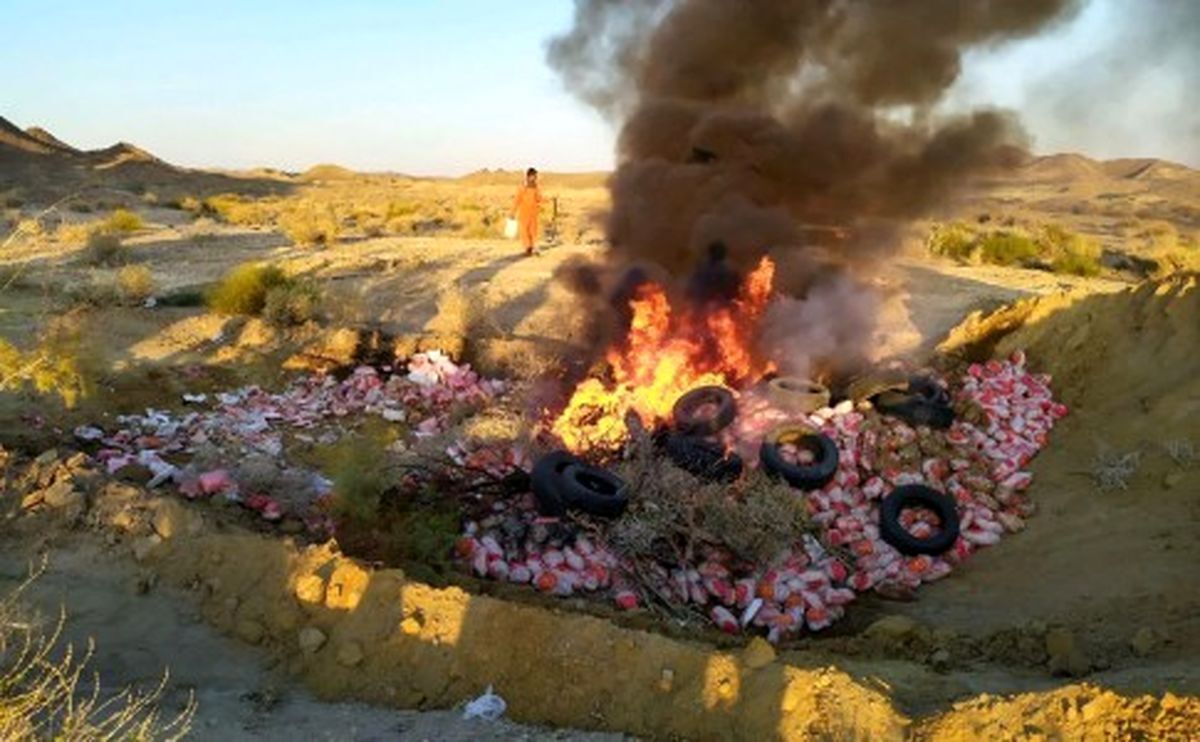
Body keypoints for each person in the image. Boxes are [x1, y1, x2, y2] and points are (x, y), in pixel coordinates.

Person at [511, 167, 543, 256]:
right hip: (524, 213)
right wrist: (512, 212)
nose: (535, 178)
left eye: (536, 176)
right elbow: (517, 200)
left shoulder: (536, 187)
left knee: (533, 231)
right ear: (529, 176)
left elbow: (539, 198)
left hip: (534, 213)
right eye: (534, 176)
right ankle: (528, 248)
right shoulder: (522, 187)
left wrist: (549, 200)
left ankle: (533, 247)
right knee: (524, 231)